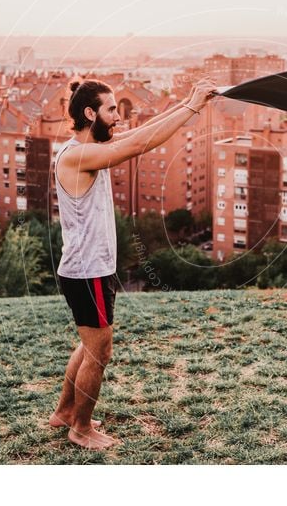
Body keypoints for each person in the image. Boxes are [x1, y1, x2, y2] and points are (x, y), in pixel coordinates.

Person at [49, 77, 216, 450]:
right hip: (87, 270)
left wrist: (191, 103)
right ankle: (81, 428)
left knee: (89, 343)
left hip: (92, 268)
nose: (119, 119)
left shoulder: (89, 148)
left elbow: (139, 134)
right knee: (99, 350)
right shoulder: (77, 155)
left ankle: (63, 412)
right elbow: (141, 143)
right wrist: (192, 106)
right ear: (90, 113)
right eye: (112, 110)